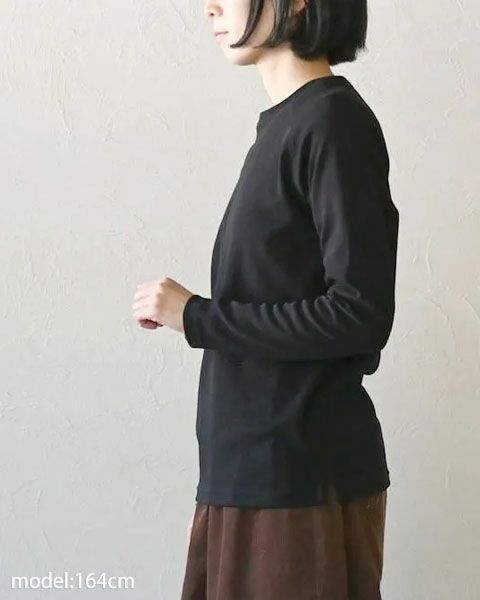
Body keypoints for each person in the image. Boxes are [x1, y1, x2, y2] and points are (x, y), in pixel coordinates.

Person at [132, 0, 399, 598]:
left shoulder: (333, 123)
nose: (211, 7)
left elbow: (359, 313)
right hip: (251, 474)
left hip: (298, 478)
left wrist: (196, 317)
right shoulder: (287, 125)